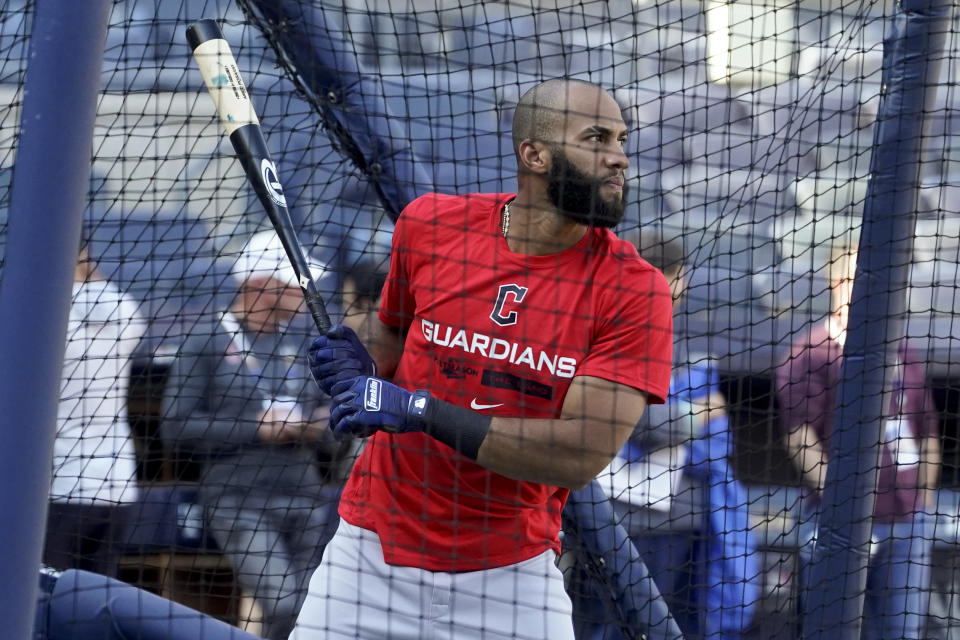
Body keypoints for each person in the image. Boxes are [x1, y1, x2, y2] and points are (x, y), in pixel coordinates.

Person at [292, 78, 675, 640]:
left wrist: (421, 410)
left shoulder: (635, 289)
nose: (619, 158)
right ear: (535, 154)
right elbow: (393, 335)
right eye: (597, 138)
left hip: (510, 577)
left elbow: (577, 455)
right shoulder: (430, 224)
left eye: (622, 140)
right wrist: (357, 355)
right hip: (368, 556)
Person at [573, 231, 759, 640]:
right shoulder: (608, 330)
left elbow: (718, 429)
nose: (684, 285)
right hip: (618, 513)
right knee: (607, 625)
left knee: (664, 625)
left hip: (675, 518)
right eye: (679, 276)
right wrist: (696, 416)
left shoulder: (686, 336)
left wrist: (692, 418)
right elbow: (643, 420)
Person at [161, 231, 342, 640]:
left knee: (319, 611)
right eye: (294, 285)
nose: (303, 294)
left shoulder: (303, 341)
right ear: (260, 284)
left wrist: (317, 424)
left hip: (305, 499)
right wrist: (256, 429)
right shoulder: (206, 340)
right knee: (285, 604)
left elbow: (333, 424)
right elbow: (175, 426)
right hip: (239, 501)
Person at [775, 244, 940, 640]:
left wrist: (923, 497)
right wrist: (845, 504)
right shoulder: (810, 354)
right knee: (829, 628)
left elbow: (927, 430)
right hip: (839, 524)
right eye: (857, 280)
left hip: (906, 520)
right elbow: (800, 441)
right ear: (837, 286)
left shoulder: (904, 351)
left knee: (902, 631)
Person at [43, 243, 147, 577]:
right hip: (116, 486)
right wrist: (86, 264)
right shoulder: (124, 307)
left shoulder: (42, 312)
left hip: (60, 486)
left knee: (45, 599)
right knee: (94, 598)